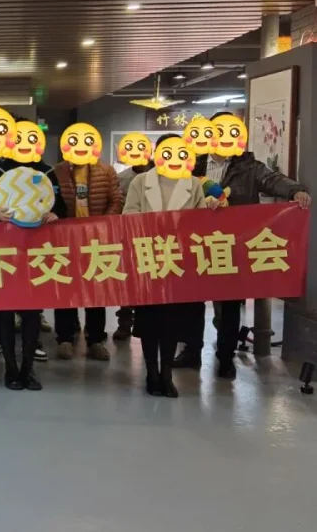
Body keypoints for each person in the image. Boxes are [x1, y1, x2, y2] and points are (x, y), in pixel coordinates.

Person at [174, 111, 311, 379]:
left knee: (229, 305)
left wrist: (295, 190)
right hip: (195, 243)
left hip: (231, 245)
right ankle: (191, 351)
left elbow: (272, 180)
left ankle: (226, 357)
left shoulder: (249, 166)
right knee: (190, 302)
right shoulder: (192, 163)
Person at [123, 134, 218, 397]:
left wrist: (210, 207)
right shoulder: (141, 181)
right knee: (149, 319)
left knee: (172, 320)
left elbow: (200, 220)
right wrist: (155, 225)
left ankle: (166, 373)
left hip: (177, 259)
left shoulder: (193, 184)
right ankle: (151, 373)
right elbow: (128, 213)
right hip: (148, 255)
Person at [0, 151, 65, 390]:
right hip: (2, 251)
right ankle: (10, 368)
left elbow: (61, 205)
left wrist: (55, 214)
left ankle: (28, 368)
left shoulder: (45, 170)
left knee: (32, 313)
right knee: (4, 311)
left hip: (36, 253)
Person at [52, 128, 122, 361]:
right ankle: (65, 337)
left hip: (96, 240)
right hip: (66, 239)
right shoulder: (57, 171)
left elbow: (116, 200)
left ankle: (95, 340)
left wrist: (103, 225)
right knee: (65, 288)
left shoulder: (106, 171)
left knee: (96, 290)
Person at [114, 159, 154, 341]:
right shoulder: (122, 178)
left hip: (158, 239)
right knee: (129, 282)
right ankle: (124, 322)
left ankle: (153, 323)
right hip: (130, 236)